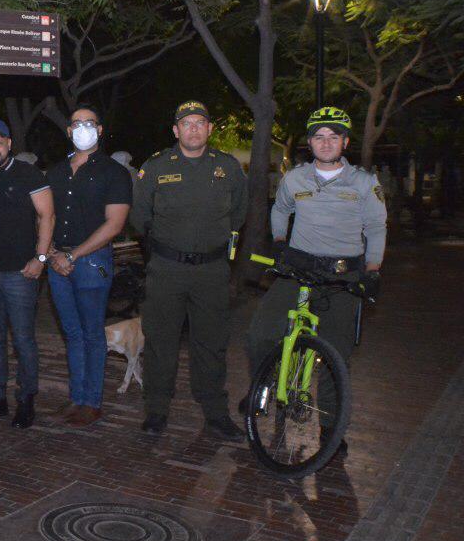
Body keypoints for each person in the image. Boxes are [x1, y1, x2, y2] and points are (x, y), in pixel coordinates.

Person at [245, 106, 386, 454]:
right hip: (298, 269)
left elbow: (376, 227)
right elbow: (281, 209)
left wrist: (372, 271)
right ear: (309, 143)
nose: (326, 143)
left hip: (342, 276)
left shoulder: (364, 182)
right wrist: (280, 242)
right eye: (319, 137)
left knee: (336, 354)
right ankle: (262, 387)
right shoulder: (295, 178)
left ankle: (330, 427)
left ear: (345, 142)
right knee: (260, 333)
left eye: (333, 137)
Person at [130, 101, 246, 439]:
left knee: (211, 342)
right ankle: (156, 409)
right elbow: (140, 217)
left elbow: (239, 213)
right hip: (167, 269)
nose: (193, 129)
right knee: (160, 341)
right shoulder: (156, 167)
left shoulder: (228, 167)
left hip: (212, 270)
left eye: (199, 123)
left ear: (209, 129)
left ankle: (215, 412)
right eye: (186, 123)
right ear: (175, 130)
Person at [45, 105, 133, 427]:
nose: (83, 128)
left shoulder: (114, 172)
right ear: (69, 131)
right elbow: (44, 216)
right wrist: (51, 253)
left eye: (89, 123)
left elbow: (115, 224)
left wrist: (72, 256)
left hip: (92, 261)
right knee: (72, 333)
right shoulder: (55, 172)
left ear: (99, 129)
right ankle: (77, 397)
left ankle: (92, 402)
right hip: (58, 261)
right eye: (77, 123)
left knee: (92, 334)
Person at [0, 118, 54, 428]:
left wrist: (40, 258)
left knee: (23, 339)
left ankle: (26, 399)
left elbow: (47, 215)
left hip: (21, 272)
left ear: (8, 144)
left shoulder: (28, 174)